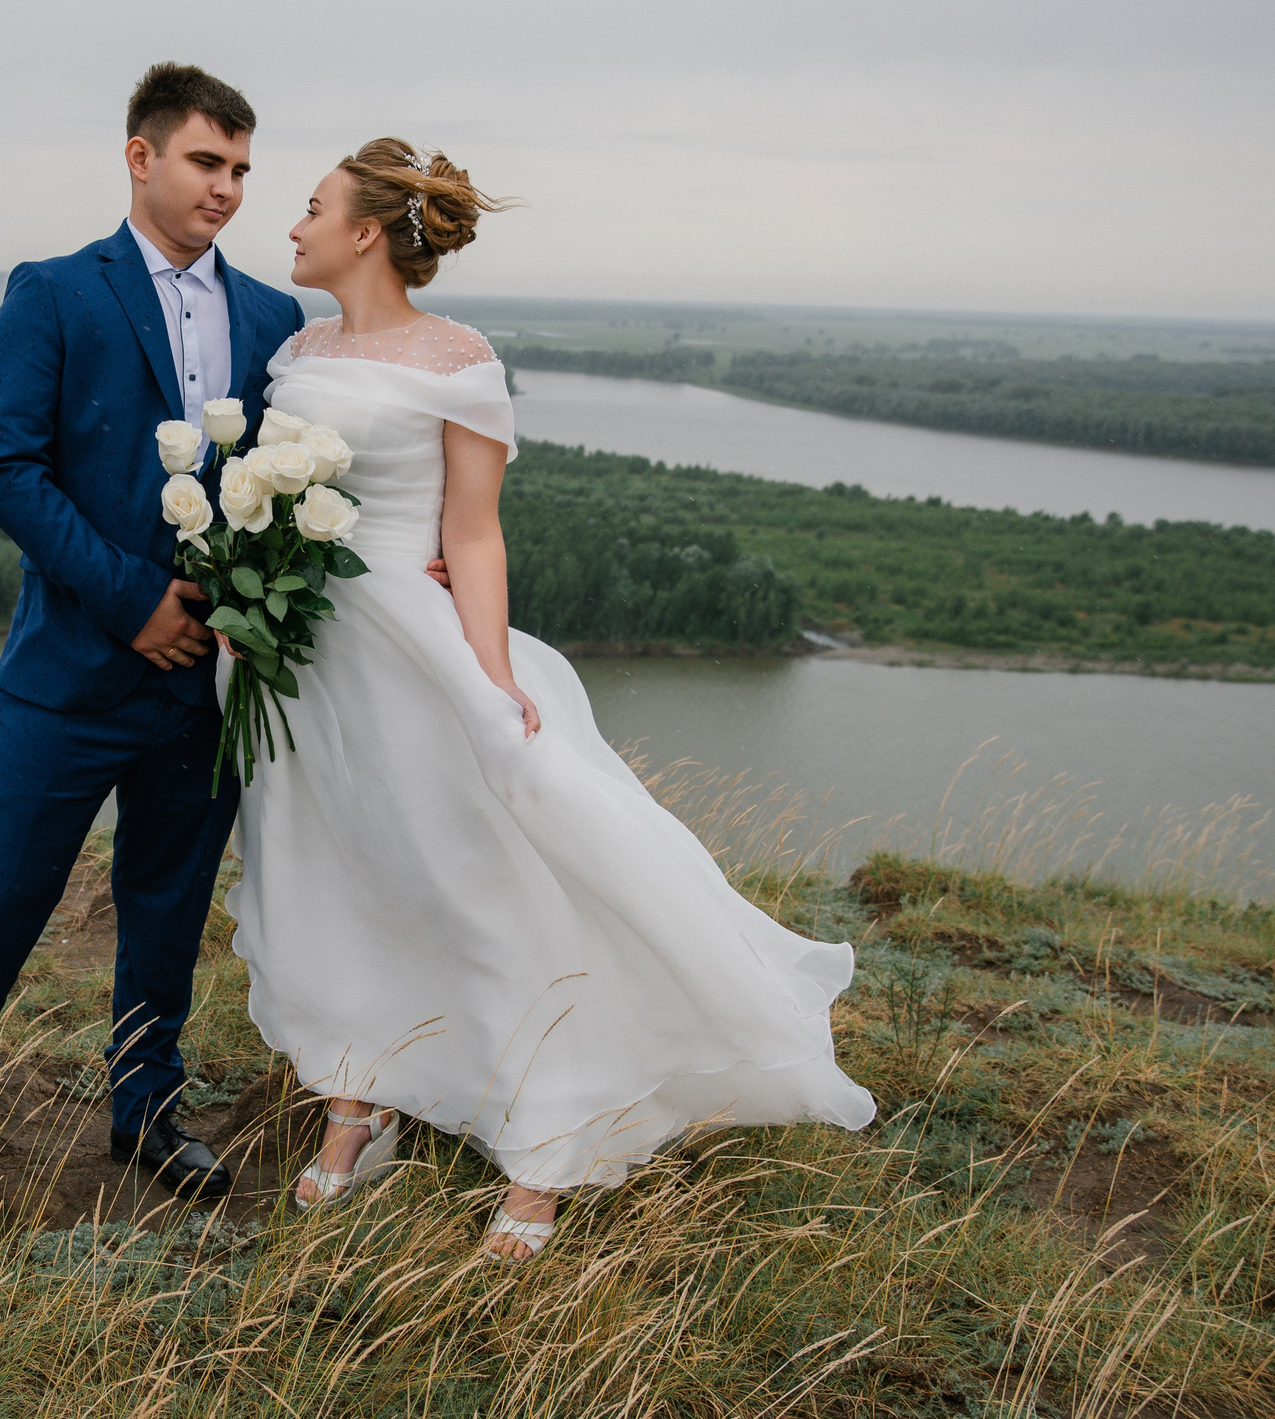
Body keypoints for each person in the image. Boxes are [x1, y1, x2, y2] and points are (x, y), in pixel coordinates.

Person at [226, 139, 875, 1260]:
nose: (291, 225)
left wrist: (490, 676)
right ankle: (358, 1094)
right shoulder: (296, 349)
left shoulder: (458, 358)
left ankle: (547, 1143)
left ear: (367, 231)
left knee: (477, 882)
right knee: (331, 871)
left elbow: (471, 530)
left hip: (409, 651)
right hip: (303, 653)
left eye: (312, 206)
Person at [0, 64, 305, 1224]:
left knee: (167, 909)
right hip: (68, 677)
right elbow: (3, 469)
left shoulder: (272, 318)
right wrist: (132, 602)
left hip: (203, 688)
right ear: (140, 157)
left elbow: (282, 494)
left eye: (244, 168)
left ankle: (147, 1111)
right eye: (208, 162)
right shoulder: (53, 291)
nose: (229, 189)